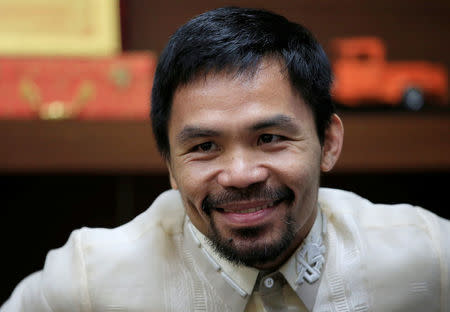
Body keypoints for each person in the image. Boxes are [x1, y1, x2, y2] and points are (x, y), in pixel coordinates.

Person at [2, 7, 449, 312]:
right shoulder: (89, 274)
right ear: (170, 167)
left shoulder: (427, 254)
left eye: (270, 137)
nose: (240, 175)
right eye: (204, 147)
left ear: (328, 142)